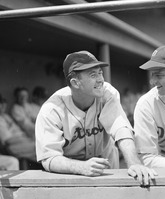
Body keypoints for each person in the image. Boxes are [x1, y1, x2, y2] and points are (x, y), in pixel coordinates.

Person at [35, 50, 157, 186]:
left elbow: (121, 128)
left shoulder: (107, 93)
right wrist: (81, 167)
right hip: (69, 170)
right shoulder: (51, 110)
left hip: (105, 162)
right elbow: (49, 158)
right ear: (75, 83)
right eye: (93, 75)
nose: (101, 80)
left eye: (100, 73)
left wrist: (134, 163)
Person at [0, 94, 37, 162]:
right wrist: (27, 140)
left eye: (4, 102)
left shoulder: (5, 115)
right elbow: (8, 140)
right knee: (38, 148)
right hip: (13, 146)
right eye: (0, 103)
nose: (3, 105)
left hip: (22, 141)